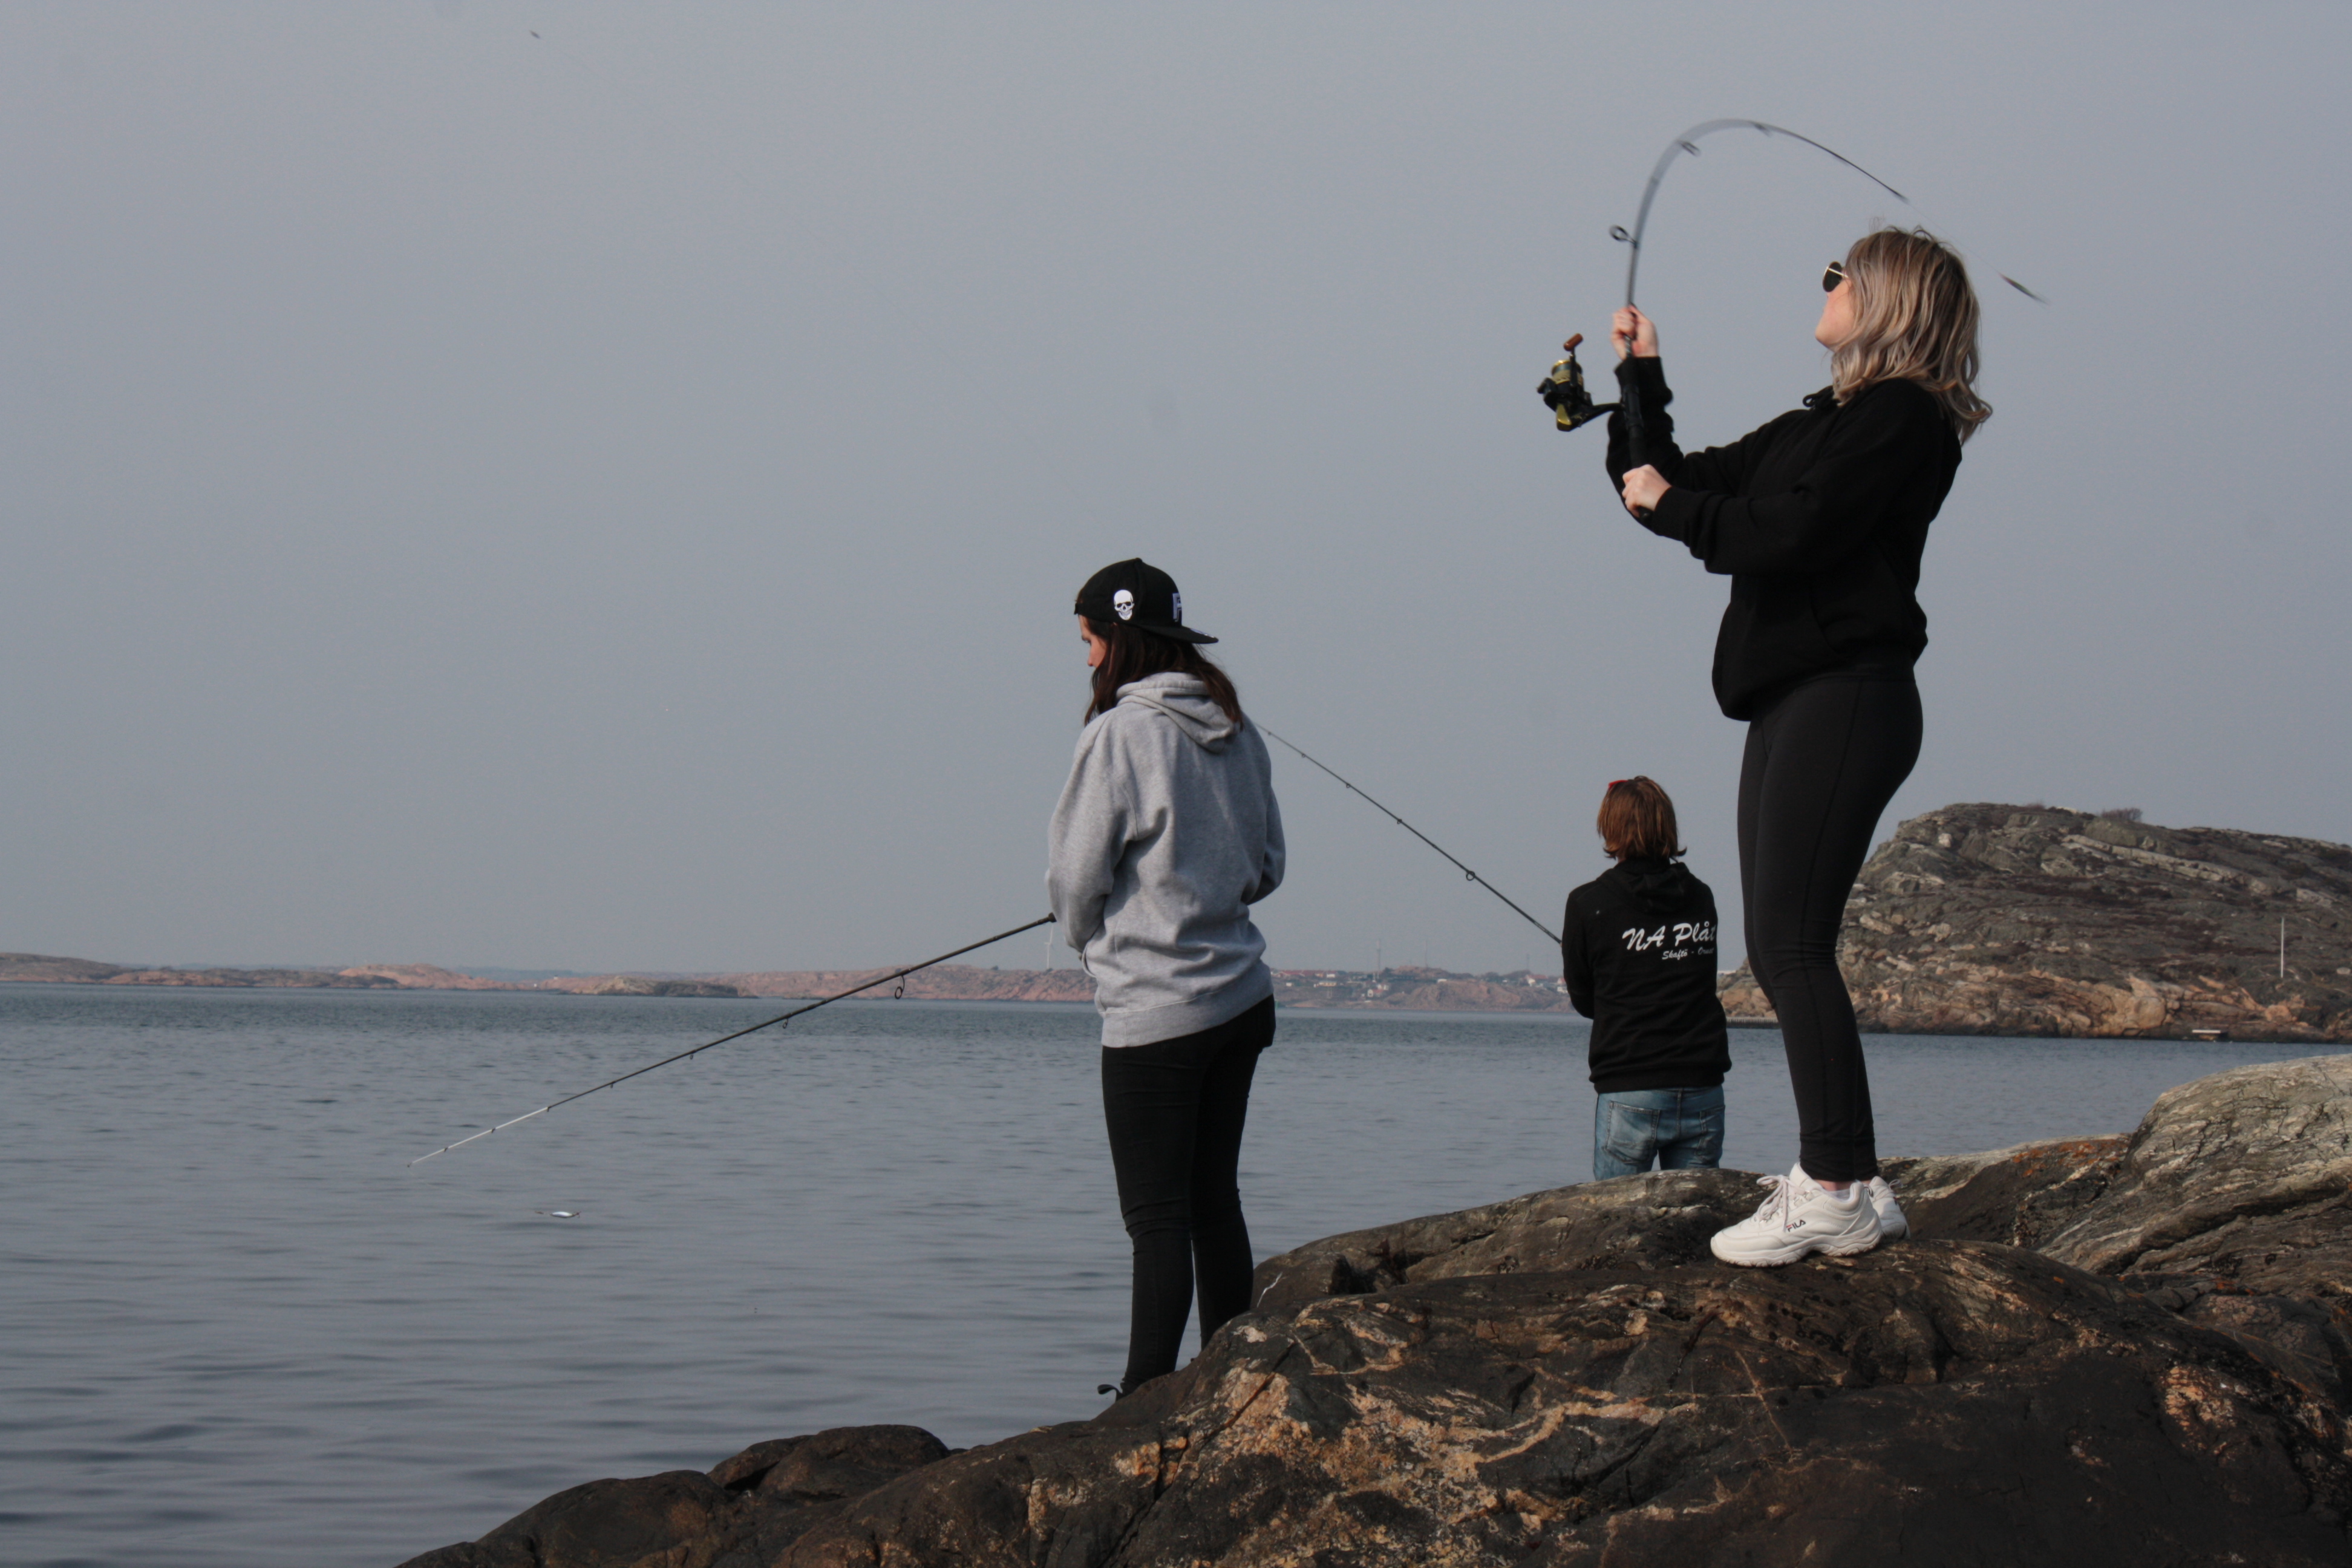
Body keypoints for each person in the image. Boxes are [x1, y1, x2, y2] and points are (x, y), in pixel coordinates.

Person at [1604, 227, 1988, 1266]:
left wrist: (1674, 505)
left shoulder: (1906, 419)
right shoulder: (1822, 420)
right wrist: (1640, 379)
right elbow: (1675, 480)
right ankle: (1845, 1178)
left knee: (1788, 946)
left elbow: (1791, 531)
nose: (1821, 287)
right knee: (1778, 947)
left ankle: (1834, 1185)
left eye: (1838, 275)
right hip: (1788, 699)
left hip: (1849, 694)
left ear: (1890, 300)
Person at [1047, 558, 1285, 1397]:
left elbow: (1076, 881)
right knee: (1214, 1201)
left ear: (1119, 642)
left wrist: (1090, 939)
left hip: (1155, 1015)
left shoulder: (1117, 735)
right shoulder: (1237, 726)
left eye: (1088, 641)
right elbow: (1268, 867)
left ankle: (1145, 1399)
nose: (1085, 660)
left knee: (1157, 1222)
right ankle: (1229, 1379)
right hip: (1241, 1001)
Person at [1561, 777, 1731, 1180]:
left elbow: (1586, 1001)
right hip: (1703, 1086)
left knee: (1616, 1224)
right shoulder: (1701, 895)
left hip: (1630, 1086)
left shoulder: (1587, 903)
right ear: (1666, 825)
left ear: (1611, 827)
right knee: (1693, 1224)